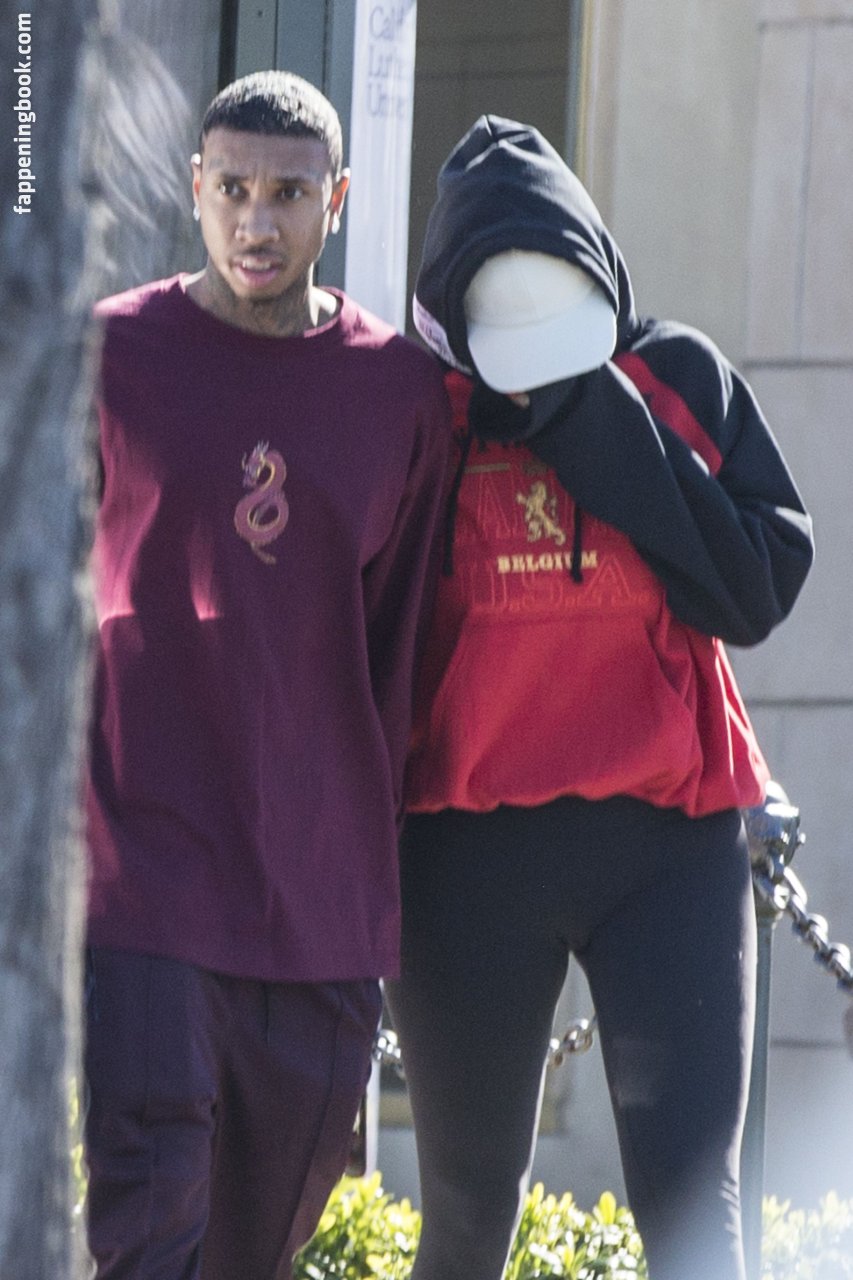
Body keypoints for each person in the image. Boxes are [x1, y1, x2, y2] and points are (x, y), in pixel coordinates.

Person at [384, 116, 814, 1280]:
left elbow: (757, 583)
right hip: (463, 855)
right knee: (465, 1216)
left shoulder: (670, 375)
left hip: (668, 843)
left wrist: (599, 422)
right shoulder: (414, 406)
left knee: (694, 1221)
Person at [83, 70, 450, 1279]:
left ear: (334, 201)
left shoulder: (398, 392)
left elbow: (401, 640)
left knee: (258, 1245)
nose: (256, 220)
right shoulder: (111, 356)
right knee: (150, 1223)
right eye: (232, 189)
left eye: (288, 194)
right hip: (145, 872)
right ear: (194, 188)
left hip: (321, 893)